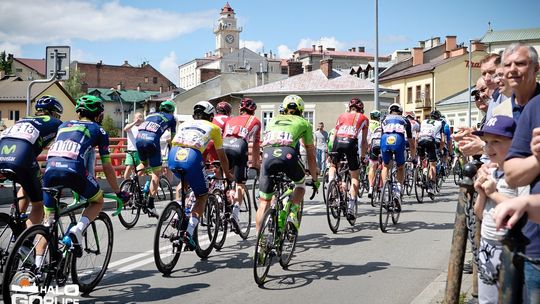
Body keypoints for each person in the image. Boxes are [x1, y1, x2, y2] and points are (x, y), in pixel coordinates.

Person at [43, 95, 129, 258]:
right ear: (98, 115)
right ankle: (77, 230)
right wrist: (118, 192)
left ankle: (37, 264)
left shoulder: (64, 125)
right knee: (97, 201)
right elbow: (107, 166)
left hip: (49, 171)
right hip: (73, 171)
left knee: (48, 224)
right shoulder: (99, 130)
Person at [500, 42, 540, 303]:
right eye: (508, 65)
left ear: (536, 69)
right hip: (517, 228)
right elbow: (510, 169)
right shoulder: (504, 109)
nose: (513, 70)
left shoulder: (533, 104)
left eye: (520, 63)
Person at [169, 101, 233, 249]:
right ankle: (189, 233)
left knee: (184, 183)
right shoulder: (214, 128)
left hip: (174, 156)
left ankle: (178, 212)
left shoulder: (184, 124)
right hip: (192, 157)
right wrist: (228, 174)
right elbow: (222, 156)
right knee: (202, 196)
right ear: (211, 116)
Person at [471, 116, 519, 304]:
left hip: (510, 245)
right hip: (488, 242)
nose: (488, 148)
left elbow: (521, 211)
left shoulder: (517, 175)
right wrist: (481, 194)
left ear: (514, 143)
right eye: (486, 143)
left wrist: (493, 193)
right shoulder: (491, 172)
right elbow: (479, 214)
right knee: (487, 299)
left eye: (496, 142)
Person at [257, 95, 319, 232]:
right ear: (301, 110)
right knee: (300, 184)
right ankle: (293, 212)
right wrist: (314, 179)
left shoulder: (273, 119)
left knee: (263, 202)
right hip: (288, 154)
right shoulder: (304, 123)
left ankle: (260, 243)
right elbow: (310, 154)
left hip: (267, 155)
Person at [0, 95, 63, 227]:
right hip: (21, 157)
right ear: (54, 113)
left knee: (26, 183)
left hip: (3, 152)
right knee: (39, 204)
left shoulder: (24, 120)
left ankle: (14, 218)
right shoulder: (56, 123)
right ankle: (25, 245)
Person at [222, 97, 261, 232]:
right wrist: (256, 165)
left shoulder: (231, 119)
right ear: (253, 110)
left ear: (240, 109)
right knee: (240, 184)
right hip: (239, 147)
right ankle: (235, 213)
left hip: (224, 146)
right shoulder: (255, 121)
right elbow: (255, 145)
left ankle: (220, 200)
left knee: (225, 178)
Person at [328, 97, 368, 222]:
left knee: (333, 166)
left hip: (337, 142)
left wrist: (331, 151)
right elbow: (364, 143)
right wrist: (362, 157)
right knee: (355, 176)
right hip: (351, 142)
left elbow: (334, 134)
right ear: (361, 109)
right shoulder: (364, 118)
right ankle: (351, 206)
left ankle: (331, 185)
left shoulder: (341, 116)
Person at [135, 100, 177, 217]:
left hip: (139, 139)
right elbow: (173, 139)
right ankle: (151, 204)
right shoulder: (171, 118)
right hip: (152, 141)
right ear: (171, 111)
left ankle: (132, 182)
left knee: (143, 163)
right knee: (156, 172)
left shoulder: (150, 115)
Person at [380, 103, 416, 203]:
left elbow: (381, 135)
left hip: (385, 139)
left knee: (386, 166)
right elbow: (411, 142)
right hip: (399, 139)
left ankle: (385, 189)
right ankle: (398, 190)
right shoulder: (405, 120)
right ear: (400, 112)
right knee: (400, 167)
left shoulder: (384, 119)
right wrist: (413, 157)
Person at [417, 110, 445, 199]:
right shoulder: (441, 123)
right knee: (432, 164)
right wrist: (440, 149)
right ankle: (431, 187)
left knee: (422, 158)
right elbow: (443, 140)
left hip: (420, 140)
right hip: (431, 140)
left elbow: (418, 133)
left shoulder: (423, 121)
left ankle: (422, 173)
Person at [367, 110, 382, 198]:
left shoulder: (368, 123)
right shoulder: (379, 124)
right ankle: (380, 185)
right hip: (379, 144)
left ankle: (370, 187)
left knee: (372, 167)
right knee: (383, 165)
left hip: (372, 145)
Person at [123, 112, 144, 179]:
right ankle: (125, 183)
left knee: (141, 168)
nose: (138, 119)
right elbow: (125, 129)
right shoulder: (131, 126)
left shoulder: (143, 128)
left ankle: (134, 180)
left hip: (140, 151)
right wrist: (134, 122)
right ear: (134, 118)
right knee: (129, 167)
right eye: (137, 117)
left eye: (140, 117)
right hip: (131, 151)